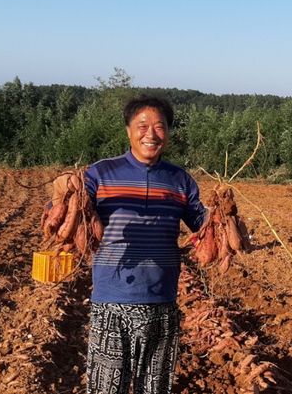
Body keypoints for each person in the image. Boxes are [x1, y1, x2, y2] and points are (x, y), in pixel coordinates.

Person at [83, 95, 206, 394]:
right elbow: (70, 213)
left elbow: (202, 225)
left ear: (168, 132)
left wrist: (225, 217)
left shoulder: (180, 180)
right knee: (106, 389)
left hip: (162, 302)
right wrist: (63, 196)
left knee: (156, 389)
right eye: (142, 125)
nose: (151, 134)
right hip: (112, 300)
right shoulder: (100, 174)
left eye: (159, 126)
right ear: (128, 130)